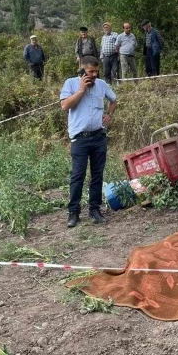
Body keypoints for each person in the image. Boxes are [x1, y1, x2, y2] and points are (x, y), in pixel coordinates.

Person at [60, 56, 118, 228]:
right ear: (81, 69)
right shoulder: (70, 84)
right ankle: (73, 212)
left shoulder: (101, 84)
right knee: (78, 176)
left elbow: (113, 100)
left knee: (97, 175)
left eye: (96, 71)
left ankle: (95, 209)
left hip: (99, 136)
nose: (93, 74)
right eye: (90, 71)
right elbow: (65, 106)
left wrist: (109, 114)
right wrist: (81, 90)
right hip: (80, 138)